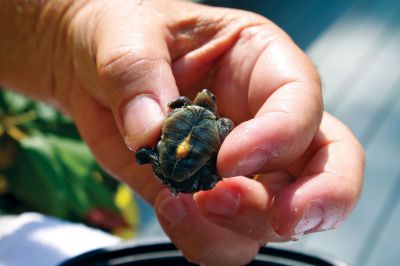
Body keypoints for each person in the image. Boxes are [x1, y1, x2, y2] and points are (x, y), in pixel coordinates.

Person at [0, 0, 364, 265]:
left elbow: (183, 119)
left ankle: (174, 173)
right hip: (182, 160)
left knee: (187, 166)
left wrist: (66, 30)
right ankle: (180, 176)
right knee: (207, 171)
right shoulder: (213, 121)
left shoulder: (183, 108)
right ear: (211, 108)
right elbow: (221, 134)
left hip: (173, 155)